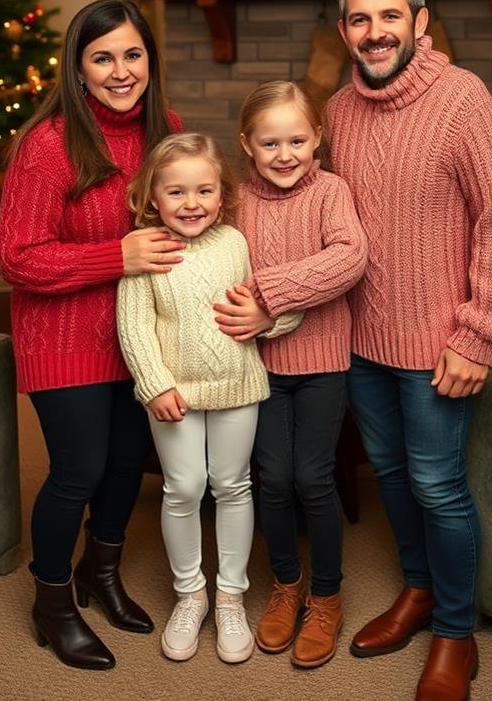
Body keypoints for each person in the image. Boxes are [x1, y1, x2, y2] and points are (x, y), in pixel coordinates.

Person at [325, 0, 492, 701]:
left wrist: (478, 334)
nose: (373, 33)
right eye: (357, 19)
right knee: (390, 476)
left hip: (439, 344)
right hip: (360, 341)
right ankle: (415, 591)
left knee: (438, 487)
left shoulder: (463, 99)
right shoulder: (337, 111)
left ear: (417, 22)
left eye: (387, 17)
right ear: (343, 30)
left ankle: (453, 629)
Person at [0, 0, 185, 671]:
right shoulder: (48, 144)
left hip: (139, 340)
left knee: (125, 465)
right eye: (102, 57)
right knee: (77, 469)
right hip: (62, 337)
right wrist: (120, 254)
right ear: (78, 70)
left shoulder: (167, 131)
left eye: (132, 54)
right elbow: (17, 257)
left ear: (149, 60)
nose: (120, 70)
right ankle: (52, 600)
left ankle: (99, 573)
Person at [116, 132, 302, 666]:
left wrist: (276, 316)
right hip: (173, 391)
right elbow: (134, 324)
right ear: (153, 196)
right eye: (176, 192)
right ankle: (189, 593)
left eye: (203, 191)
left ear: (222, 194)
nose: (191, 204)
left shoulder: (234, 244)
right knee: (183, 487)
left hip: (237, 386)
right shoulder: (148, 247)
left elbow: (267, 299)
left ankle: (229, 596)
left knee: (232, 485)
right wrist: (154, 384)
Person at [214, 81, 367, 669]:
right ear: (247, 145)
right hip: (259, 371)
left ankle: (326, 596)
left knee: (312, 477)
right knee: (272, 479)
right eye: (270, 142)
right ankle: (286, 585)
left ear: (317, 139)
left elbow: (350, 257)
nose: (285, 155)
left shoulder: (331, 191)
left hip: (324, 364)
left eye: (297, 140)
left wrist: (270, 296)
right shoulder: (236, 204)